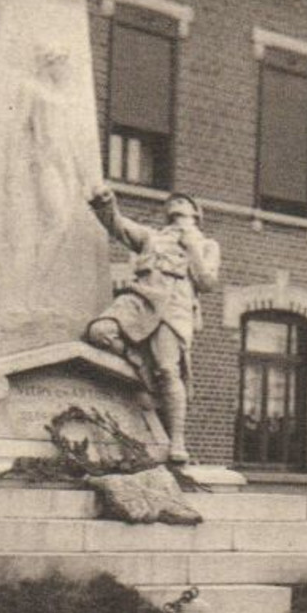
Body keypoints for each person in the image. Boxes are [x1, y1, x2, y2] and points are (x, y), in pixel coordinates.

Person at [84, 186, 220, 465]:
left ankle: (177, 440)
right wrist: (106, 203)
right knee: (99, 332)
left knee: (169, 370)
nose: (178, 203)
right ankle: (139, 364)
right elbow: (118, 226)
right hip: (141, 298)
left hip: (175, 305)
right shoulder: (151, 237)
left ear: (196, 213)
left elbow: (206, 282)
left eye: (185, 201)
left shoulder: (207, 244)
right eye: (173, 201)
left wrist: (192, 249)